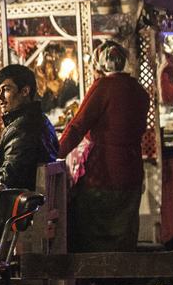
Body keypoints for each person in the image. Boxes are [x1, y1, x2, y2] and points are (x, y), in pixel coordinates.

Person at [58, 41, 150, 252]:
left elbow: (77, 126)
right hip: (132, 171)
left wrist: (55, 152)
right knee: (124, 235)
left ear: (100, 63)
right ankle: (122, 280)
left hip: (103, 174)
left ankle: (99, 283)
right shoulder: (139, 90)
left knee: (95, 236)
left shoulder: (102, 87)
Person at [0, 63, 59, 191]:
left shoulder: (24, 127)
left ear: (25, 91)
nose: (0, 97)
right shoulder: (39, 119)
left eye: (7, 89)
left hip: (21, 206)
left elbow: (7, 179)